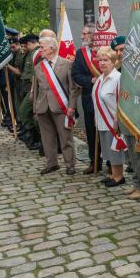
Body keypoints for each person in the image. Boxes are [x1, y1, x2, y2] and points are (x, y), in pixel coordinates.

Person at [113, 35, 140, 200]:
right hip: (126, 117)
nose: (119, 53)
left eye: (122, 49)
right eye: (117, 51)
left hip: (138, 119)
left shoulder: (138, 68)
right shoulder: (122, 68)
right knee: (131, 154)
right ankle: (137, 183)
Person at [32, 36, 80, 175]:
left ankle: (70, 164)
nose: (40, 50)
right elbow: (36, 89)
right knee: (47, 138)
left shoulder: (67, 64)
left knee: (65, 137)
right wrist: (35, 108)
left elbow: (73, 88)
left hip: (61, 107)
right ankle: (52, 163)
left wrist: (72, 106)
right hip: (43, 107)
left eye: (42, 47)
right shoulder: (39, 66)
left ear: (51, 48)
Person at [92, 47, 126, 187]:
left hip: (113, 120)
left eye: (105, 60)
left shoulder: (118, 78)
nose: (102, 63)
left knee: (114, 149)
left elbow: (122, 101)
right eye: (100, 60)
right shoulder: (100, 78)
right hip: (101, 120)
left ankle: (119, 177)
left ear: (113, 62)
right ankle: (112, 173)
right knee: (107, 148)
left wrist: (118, 119)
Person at [72, 23, 103, 174]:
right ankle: (95, 161)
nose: (82, 36)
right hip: (88, 97)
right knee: (91, 131)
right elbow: (75, 74)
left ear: (93, 35)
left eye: (84, 34)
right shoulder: (80, 53)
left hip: (106, 101)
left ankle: (112, 163)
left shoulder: (105, 51)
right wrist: (89, 80)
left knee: (106, 131)